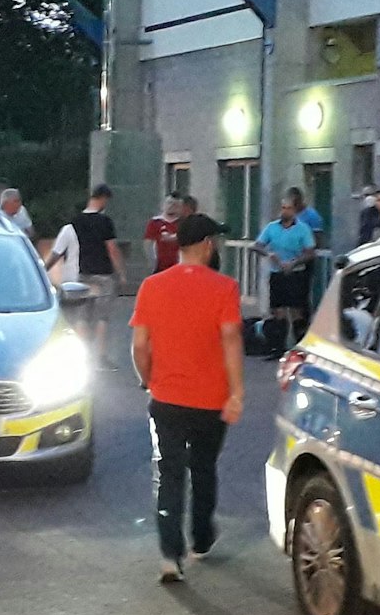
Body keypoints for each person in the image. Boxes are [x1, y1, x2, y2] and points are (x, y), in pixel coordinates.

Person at [130, 213, 244, 583]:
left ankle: (169, 554)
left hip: (166, 397)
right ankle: (201, 538)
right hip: (211, 400)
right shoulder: (225, 287)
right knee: (204, 467)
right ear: (208, 245)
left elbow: (140, 345)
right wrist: (237, 392)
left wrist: (148, 380)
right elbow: (230, 340)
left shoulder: (152, 286)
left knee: (169, 473)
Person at [44, 185, 126, 364]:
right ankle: (101, 356)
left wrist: (42, 271)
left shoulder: (71, 225)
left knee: (81, 316)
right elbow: (112, 249)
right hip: (103, 276)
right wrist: (120, 273)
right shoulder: (105, 222)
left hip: (81, 276)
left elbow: (56, 253)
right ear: (103, 199)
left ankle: (82, 355)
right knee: (102, 317)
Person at [252, 197, 316, 358]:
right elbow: (257, 246)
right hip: (277, 272)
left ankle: (301, 348)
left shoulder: (303, 229)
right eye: (282, 208)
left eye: (288, 208)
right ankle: (277, 348)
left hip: (296, 274)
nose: (284, 211)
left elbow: (310, 252)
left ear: (294, 211)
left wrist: (294, 263)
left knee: (297, 311)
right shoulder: (272, 227)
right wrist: (269, 254)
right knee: (277, 311)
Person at [144, 193, 184, 273]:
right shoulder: (155, 222)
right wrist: (151, 263)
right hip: (159, 267)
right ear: (163, 205)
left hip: (178, 267)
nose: (171, 206)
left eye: (175, 204)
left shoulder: (184, 223)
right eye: (169, 203)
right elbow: (148, 243)